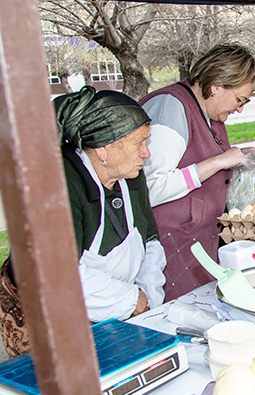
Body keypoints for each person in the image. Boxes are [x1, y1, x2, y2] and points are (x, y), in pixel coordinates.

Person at [0, 87, 166, 358]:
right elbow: (57, 276)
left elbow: (149, 237)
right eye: (139, 142)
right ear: (103, 148)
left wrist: (150, 293)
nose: (146, 154)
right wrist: (127, 298)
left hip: (110, 303)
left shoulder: (130, 172)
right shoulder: (58, 187)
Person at [139, 44, 255, 301]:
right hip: (171, 247)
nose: (240, 109)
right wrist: (219, 162)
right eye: (239, 99)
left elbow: (199, 160)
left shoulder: (207, 111)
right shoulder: (170, 107)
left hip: (198, 243)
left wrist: (235, 162)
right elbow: (151, 187)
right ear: (217, 84)